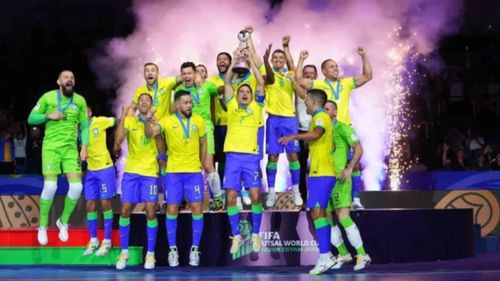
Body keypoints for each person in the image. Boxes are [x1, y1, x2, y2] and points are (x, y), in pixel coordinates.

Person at [297, 48, 372, 209]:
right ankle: (317, 199)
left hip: (343, 129)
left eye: (336, 66)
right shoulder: (319, 84)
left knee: (354, 163)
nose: (336, 68)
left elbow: (368, 76)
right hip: (324, 130)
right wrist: (301, 60)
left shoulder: (346, 82)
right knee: (319, 164)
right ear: (323, 71)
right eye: (332, 66)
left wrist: (363, 55)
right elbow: (299, 80)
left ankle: (355, 199)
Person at [145, 90, 207, 267]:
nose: (189, 106)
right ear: (178, 105)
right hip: (173, 173)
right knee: (171, 208)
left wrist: (202, 164)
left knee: (197, 207)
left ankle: (195, 250)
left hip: (193, 172)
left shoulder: (199, 121)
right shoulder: (167, 120)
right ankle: (173, 250)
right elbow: (150, 134)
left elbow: (204, 143)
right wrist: (148, 120)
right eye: (186, 103)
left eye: (190, 103)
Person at [27, 70, 89, 246]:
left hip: (70, 150)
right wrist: (48, 115)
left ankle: (63, 221)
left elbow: (85, 127)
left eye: (72, 77)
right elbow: (31, 119)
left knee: (77, 187)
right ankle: (42, 226)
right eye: (65, 77)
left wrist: (84, 147)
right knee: (51, 186)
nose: (69, 79)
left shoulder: (80, 101)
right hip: (51, 148)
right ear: (58, 81)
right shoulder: (47, 97)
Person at [278, 89, 335, 275]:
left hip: (323, 173)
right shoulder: (319, 118)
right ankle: (326, 255)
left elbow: (317, 134)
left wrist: (294, 136)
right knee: (318, 213)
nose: (304, 104)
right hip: (320, 172)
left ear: (311, 101)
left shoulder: (320, 117)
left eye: (305, 100)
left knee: (318, 213)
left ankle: (326, 256)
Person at [247, 28, 302, 207]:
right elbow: (255, 56)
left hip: (289, 120)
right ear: (271, 60)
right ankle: (271, 193)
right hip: (273, 120)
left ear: (284, 60)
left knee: (293, 156)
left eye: (281, 58)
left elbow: (293, 63)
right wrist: (248, 37)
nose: (278, 60)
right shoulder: (267, 72)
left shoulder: (290, 74)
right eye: (275, 58)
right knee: (273, 158)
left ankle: (295, 191)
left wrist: (286, 47)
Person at [223, 47, 267, 254]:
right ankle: (237, 237)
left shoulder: (258, 107)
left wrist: (250, 60)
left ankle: (256, 234)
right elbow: (227, 82)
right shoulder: (231, 105)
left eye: (246, 92)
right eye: (241, 92)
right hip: (232, 156)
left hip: (250, 157)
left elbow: (260, 83)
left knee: (256, 197)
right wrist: (235, 61)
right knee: (230, 198)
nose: (244, 94)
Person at [324, 100, 371, 271]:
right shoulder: (320, 130)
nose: (324, 111)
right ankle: (343, 254)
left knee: (343, 216)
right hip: (323, 180)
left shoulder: (343, 129)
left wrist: (349, 168)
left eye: (327, 109)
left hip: (340, 180)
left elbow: (359, 149)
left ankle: (362, 254)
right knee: (327, 217)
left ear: (335, 112)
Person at [114, 93, 159, 270]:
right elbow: (118, 142)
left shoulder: (156, 121)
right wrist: (124, 116)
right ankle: (124, 252)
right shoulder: (130, 121)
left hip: (149, 173)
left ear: (151, 104)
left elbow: (154, 139)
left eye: (147, 100)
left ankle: (150, 254)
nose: (144, 103)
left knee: (150, 212)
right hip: (132, 172)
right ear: (138, 105)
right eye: (141, 101)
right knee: (125, 210)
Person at [175, 62, 224, 210]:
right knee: (188, 165)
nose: (187, 76)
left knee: (208, 165)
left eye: (190, 73)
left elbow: (221, 90)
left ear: (195, 73)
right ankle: (185, 199)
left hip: (205, 128)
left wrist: (222, 87)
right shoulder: (179, 89)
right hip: (187, 131)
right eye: (184, 74)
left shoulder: (207, 85)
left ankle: (218, 199)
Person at [82, 106, 116, 257]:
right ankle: (94, 240)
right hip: (91, 170)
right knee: (89, 203)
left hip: (105, 168)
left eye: (84, 112)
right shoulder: (78, 129)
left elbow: (115, 121)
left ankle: (107, 241)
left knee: (105, 203)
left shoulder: (99, 121)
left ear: (90, 113)